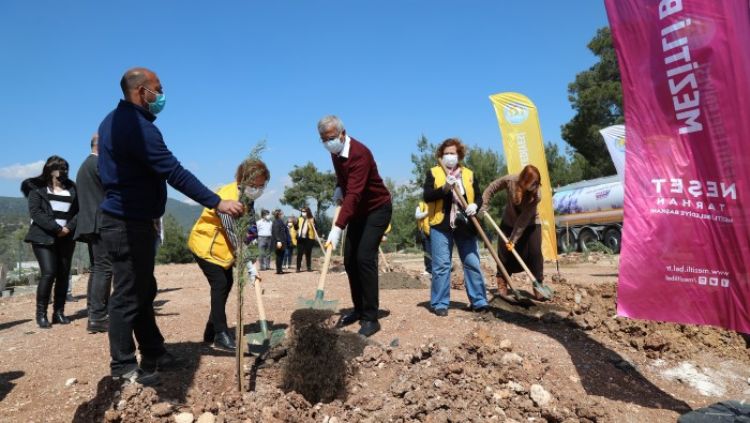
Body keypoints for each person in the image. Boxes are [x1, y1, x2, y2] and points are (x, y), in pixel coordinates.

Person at [97, 67, 244, 385]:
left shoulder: (113, 121)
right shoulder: (136, 126)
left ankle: (153, 350)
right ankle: (122, 366)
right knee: (127, 294)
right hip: (126, 222)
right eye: (157, 89)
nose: (161, 96)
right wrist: (217, 202)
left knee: (143, 289)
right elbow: (173, 171)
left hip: (132, 221)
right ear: (140, 91)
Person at [319, 115, 392, 337]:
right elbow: (345, 180)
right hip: (358, 212)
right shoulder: (335, 153)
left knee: (364, 259)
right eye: (323, 140)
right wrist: (338, 186)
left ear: (342, 133)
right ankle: (359, 309)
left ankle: (371, 318)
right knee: (350, 260)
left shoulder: (359, 153)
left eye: (331, 138)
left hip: (377, 209)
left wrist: (338, 227)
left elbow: (356, 193)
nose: (328, 143)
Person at [188, 159, 267, 352]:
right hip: (206, 246)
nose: (257, 189)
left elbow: (248, 224)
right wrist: (248, 263)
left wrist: (253, 249)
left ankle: (211, 329)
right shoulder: (229, 196)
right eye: (254, 185)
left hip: (221, 250)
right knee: (220, 284)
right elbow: (233, 233)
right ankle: (220, 335)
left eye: (261, 185)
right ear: (243, 179)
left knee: (226, 284)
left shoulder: (247, 196)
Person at [422, 138, 489, 316]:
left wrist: (474, 205)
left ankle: (479, 301)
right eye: (446, 153)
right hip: (441, 224)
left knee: (472, 262)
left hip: (466, 224)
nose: (450, 156)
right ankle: (440, 303)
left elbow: (479, 196)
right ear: (441, 156)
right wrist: (444, 188)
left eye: (453, 153)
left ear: (459, 155)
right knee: (442, 265)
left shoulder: (469, 174)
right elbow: (427, 196)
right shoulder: (434, 172)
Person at [21, 156, 79, 329]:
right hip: (43, 237)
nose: (64, 172)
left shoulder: (73, 188)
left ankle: (59, 312)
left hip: (67, 237)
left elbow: (79, 211)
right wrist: (56, 228)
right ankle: (41, 314)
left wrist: (68, 228)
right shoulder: (37, 189)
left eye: (66, 168)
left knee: (63, 274)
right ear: (51, 170)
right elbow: (36, 213)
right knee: (49, 273)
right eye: (60, 168)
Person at [481, 164, 545, 300]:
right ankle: (502, 281)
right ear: (524, 181)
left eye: (537, 183)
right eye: (533, 184)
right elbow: (492, 187)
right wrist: (484, 204)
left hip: (530, 223)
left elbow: (523, 219)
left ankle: (538, 284)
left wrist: (513, 240)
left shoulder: (537, 195)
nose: (536, 187)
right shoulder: (511, 180)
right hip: (508, 222)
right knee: (504, 253)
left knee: (535, 253)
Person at [73, 133, 112, 333]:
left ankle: (94, 311)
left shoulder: (85, 165)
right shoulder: (98, 164)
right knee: (104, 269)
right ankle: (97, 316)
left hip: (91, 223)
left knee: (98, 268)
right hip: (101, 223)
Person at [295, 207, 316, 272]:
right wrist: (295, 224)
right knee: (300, 253)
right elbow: (296, 228)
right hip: (301, 238)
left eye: (304, 211)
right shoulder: (299, 219)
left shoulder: (312, 219)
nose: (303, 213)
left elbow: (316, 228)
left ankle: (309, 267)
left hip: (309, 239)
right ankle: (298, 268)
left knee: (308, 253)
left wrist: (314, 224)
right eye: (302, 211)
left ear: (308, 212)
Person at [415, 201, 432, 276]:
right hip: (425, 232)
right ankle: (429, 270)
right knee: (427, 252)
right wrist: (427, 213)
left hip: (436, 230)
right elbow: (417, 216)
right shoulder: (421, 205)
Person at [271, 209, 288, 274]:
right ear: (279, 215)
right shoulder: (276, 222)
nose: (283, 214)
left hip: (282, 241)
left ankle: (280, 269)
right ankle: (278, 270)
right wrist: (278, 240)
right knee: (279, 256)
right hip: (278, 241)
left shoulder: (281, 221)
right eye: (282, 213)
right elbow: (276, 232)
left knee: (281, 256)